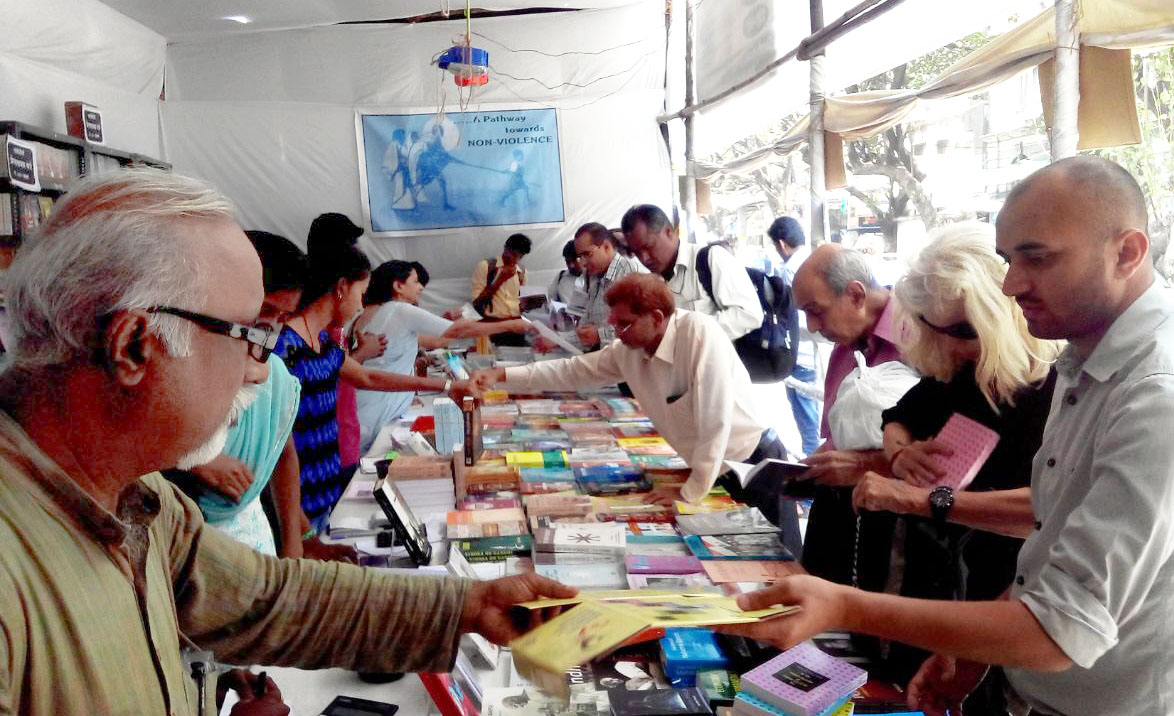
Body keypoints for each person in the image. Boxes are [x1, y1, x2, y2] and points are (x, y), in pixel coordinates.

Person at [0, 168, 575, 716]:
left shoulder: (139, 493)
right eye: (249, 335)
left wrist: (468, 607)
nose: (259, 370)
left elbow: (264, 598)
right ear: (133, 347)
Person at [718, 157, 1174, 716]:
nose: (1012, 284)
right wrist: (972, 652)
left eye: (1037, 258)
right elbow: (1054, 529)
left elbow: (1058, 628)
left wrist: (845, 606)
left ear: (1127, 252)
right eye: (1008, 261)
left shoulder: (1155, 393)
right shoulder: (1085, 361)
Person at [848, 222, 1060, 688]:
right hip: (941, 580)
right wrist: (901, 453)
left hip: (1011, 592)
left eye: (963, 331)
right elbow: (898, 414)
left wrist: (923, 500)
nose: (952, 346)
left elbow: (1048, 510)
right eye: (936, 329)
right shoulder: (965, 370)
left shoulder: (1055, 390)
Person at [471, 274, 802, 556]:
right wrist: (503, 375)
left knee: (778, 568)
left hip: (752, 466)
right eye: (614, 323)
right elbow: (572, 371)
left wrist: (689, 491)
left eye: (625, 324)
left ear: (657, 318)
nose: (617, 332)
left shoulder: (699, 334)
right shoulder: (628, 350)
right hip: (709, 472)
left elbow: (715, 422)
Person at [277, 225, 476, 533]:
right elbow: (279, 450)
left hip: (325, 487)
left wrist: (449, 385)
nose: (361, 305)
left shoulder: (322, 342)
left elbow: (368, 377)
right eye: (360, 293)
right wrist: (295, 529)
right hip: (296, 501)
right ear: (342, 287)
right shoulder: (285, 346)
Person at [172, 230, 309, 559]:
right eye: (265, 310)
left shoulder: (273, 373)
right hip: (182, 543)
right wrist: (196, 459)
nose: (268, 328)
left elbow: (283, 451)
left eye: (281, 317)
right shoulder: (175, 357)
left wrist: (292, 540)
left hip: (251, 538)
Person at [787, 245, 904, 584]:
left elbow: (941, 454)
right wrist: (809, 468)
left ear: (855, 294)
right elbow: (835, 439)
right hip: (840, 511)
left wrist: (865, 464)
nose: (811, 325)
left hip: (897, 524)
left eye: (816, 311)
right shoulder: (845, 347)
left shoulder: (922, 337)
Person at [354, 260, 532, 451]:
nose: (420, 287)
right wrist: (510, 325)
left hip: (373, 408)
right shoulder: (400, 309)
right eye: (415, 281)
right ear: (398, 286)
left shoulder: (387, 312)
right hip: (373, 412)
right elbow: (458, 331)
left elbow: (440, 338)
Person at [621, 204, 762, 341]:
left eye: (649, 246)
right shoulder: (651, 283)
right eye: (637, 253)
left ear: (669, 232)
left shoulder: (710, 259)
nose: (644, 258)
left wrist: (688, 334)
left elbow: (749, 314)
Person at [767, 216, 820, 457]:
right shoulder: (813, 260)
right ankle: (813, 457)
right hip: (810, 352)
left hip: (799, 353)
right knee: (809, 409)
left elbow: (791, 315)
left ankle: (811, 461)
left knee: (805, 411)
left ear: (781, 243)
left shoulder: (790, 270)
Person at [571, 222, 644, 351]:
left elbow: (638, 326)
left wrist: (599, 336)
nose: (583, 263)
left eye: (587, 254)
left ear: (606, 247)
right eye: (579, 257)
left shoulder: (628, 273)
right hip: (601, 357)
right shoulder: (594, 277)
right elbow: (586, 324)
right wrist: (556, 339)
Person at [471, 233, 532, 347]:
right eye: (513, 255)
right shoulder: (486, 266)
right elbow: (476, 304)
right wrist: (500, 280)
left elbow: (521, 304)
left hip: (515, 327)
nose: (515, 260)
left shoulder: (522, 272)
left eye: (520, 257)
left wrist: (529, 304)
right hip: (491, 327)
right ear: (505, 248)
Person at [547, 240, 584, 305]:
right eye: (568, 262)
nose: (571, 266)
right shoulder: (560, 277)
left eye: (574, 261)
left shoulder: (595, 279)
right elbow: (551, 300)